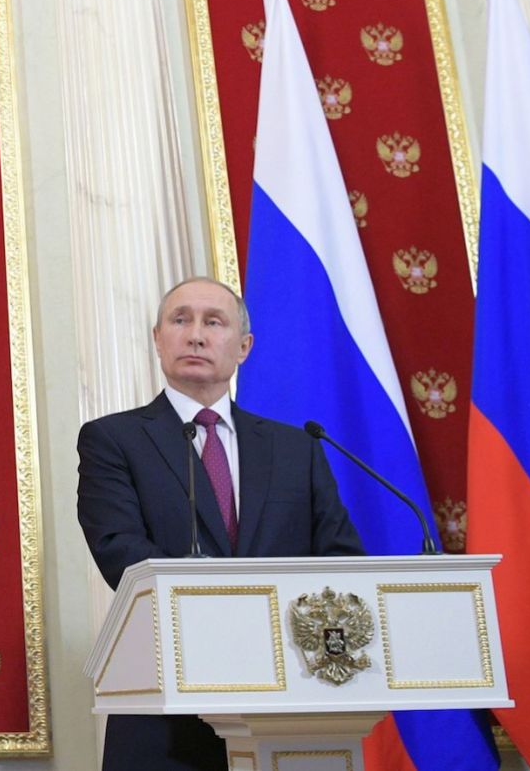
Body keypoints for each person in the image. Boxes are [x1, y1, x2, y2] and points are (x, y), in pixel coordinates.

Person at [76, 277, 363, 771]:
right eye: (180, 319)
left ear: (243, 347)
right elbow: (121, 553)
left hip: (288, 703)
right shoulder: (112, 440)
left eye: (214, 322)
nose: (195, 335)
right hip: (167, 707)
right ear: (158, 338)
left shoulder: (298, 448)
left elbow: (340, 560)